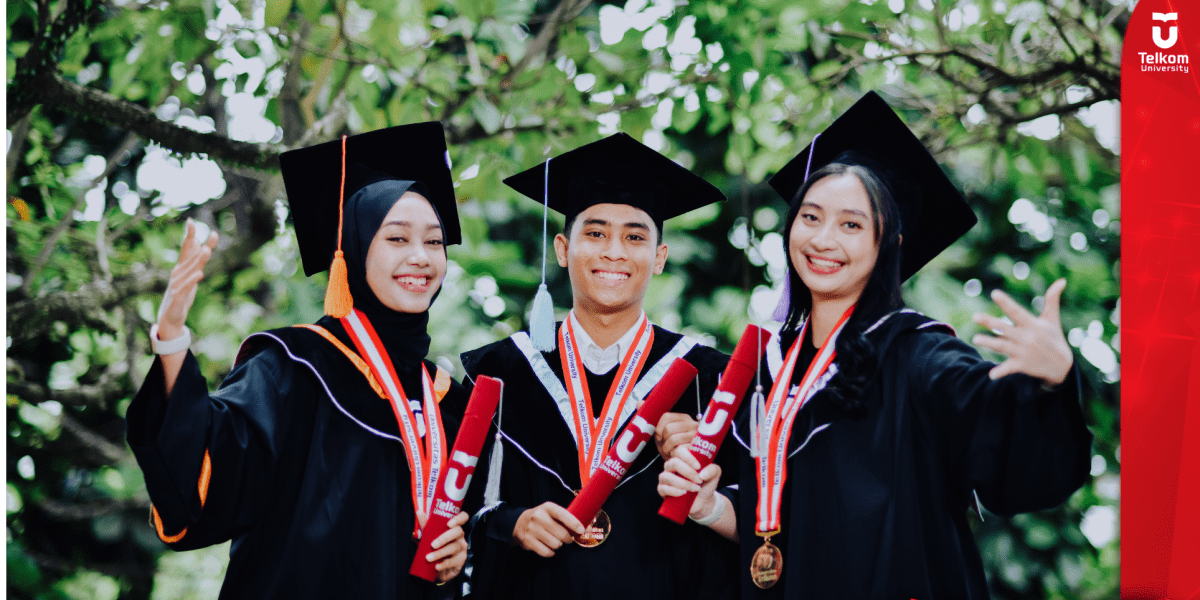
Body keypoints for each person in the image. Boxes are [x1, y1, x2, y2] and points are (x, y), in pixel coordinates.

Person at [657, 92, 1093, 599]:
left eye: (851, 225)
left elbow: (1006, 449)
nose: (823, 240)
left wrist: (1051, 381)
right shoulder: (766, 375)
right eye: (811, 217)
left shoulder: (919, 356)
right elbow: (778, 528)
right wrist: (711, 508)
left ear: (889, 243)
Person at [126, 123, 474, 598]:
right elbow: (210, 473)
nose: (420, 257)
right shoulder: (293, 367)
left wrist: (460, 551)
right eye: (396, 239)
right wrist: (170, 340)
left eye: (434, 242)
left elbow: (474, 529)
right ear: (350, 251)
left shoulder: (448, 400)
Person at [459, 133, 738, 600]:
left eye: (634, 236)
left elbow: (753, 525)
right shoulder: (498, 373)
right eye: (595, 233)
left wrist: (700, 462)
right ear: (564, 249)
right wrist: (514, 522)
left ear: (660, 258)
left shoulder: (710, 381)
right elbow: (454, 517)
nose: (614, 251)